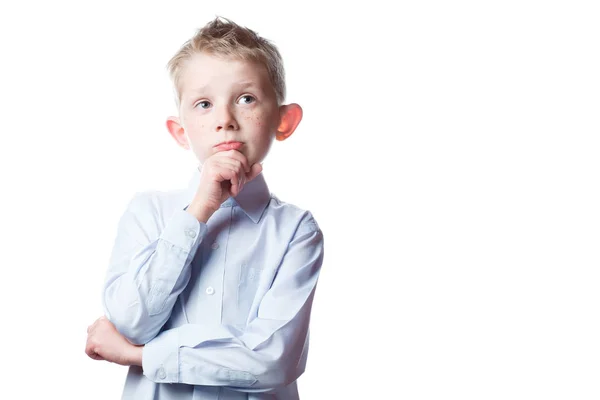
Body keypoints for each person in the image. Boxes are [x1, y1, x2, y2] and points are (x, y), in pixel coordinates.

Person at [84, 16, 325, 400]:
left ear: (285, 120)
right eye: (204, 104)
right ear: (180, 131)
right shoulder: (148, 212)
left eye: (246, 99)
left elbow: (272, 361)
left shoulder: (296, 230)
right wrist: (198, 210)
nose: (225, 121)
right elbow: (132, 321)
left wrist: (138, 355)